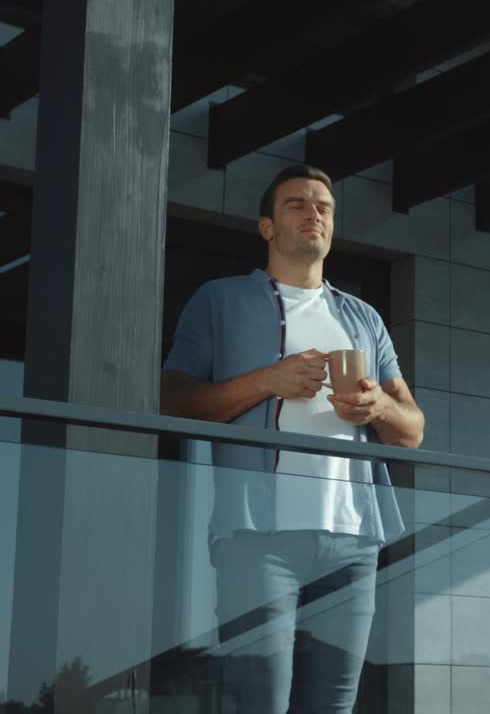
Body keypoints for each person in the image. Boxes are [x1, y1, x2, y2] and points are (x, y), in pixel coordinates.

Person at [160, 164, 424, 713]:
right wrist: (268, 381)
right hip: (258, 540)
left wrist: (377, 406)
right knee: (260, 705)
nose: (313, 214)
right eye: (297, 204)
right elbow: (172, 401)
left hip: (352, 541)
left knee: (332, 708)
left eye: (323, 207)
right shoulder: (221, 301)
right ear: (267, 228)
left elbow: (413, 429)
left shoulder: (363, 318)